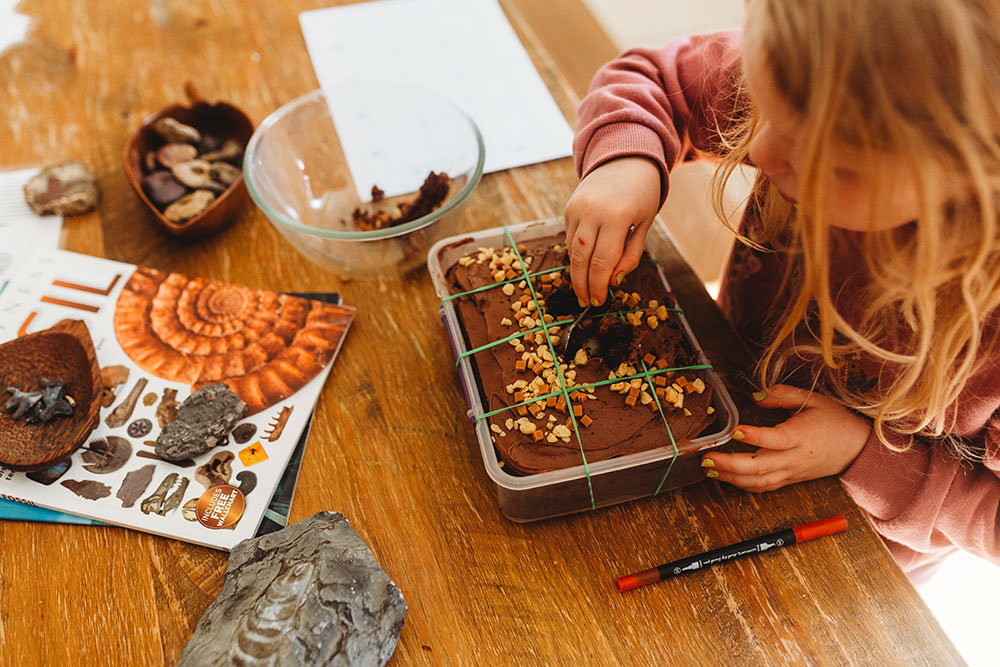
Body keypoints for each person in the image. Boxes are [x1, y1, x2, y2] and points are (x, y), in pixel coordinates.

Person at [565, 0, 1000, 579]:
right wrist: (626, 160)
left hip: (851, 553)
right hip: (706, 422)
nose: (761, 152)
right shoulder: (812, 72)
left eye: (834, 163)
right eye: (763, 106)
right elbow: (654, 80)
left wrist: (860, 454)